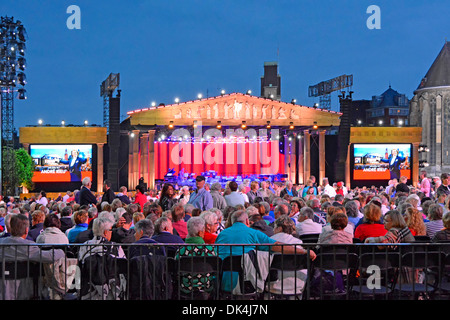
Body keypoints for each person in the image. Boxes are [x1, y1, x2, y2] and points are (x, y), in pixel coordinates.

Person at [0, 214, 65, 300]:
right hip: (24, 290)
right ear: (27, 230)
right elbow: (49, 256)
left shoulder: (1, 243)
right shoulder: (28, 247)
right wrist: (61, 251)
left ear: (10, 228)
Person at [77, 216, 126, 300]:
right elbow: (123, 267)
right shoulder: (114, 247)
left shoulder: (85, 246)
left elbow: (81, 264)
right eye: (111, 230)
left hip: (89, 288)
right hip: (112, 290)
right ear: (106, 232)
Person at [175, 216, 216, 298]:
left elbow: (176, 271)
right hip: (207, 287)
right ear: (201, 232)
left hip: (186, 287)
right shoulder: (210, 250)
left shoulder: (181, 251)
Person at [269, 215, 309, 296]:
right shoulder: (298, 242)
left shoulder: (270, 240)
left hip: (274, 284)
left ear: (279, 228)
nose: (273, 229)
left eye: (275, 227)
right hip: (298, 283)